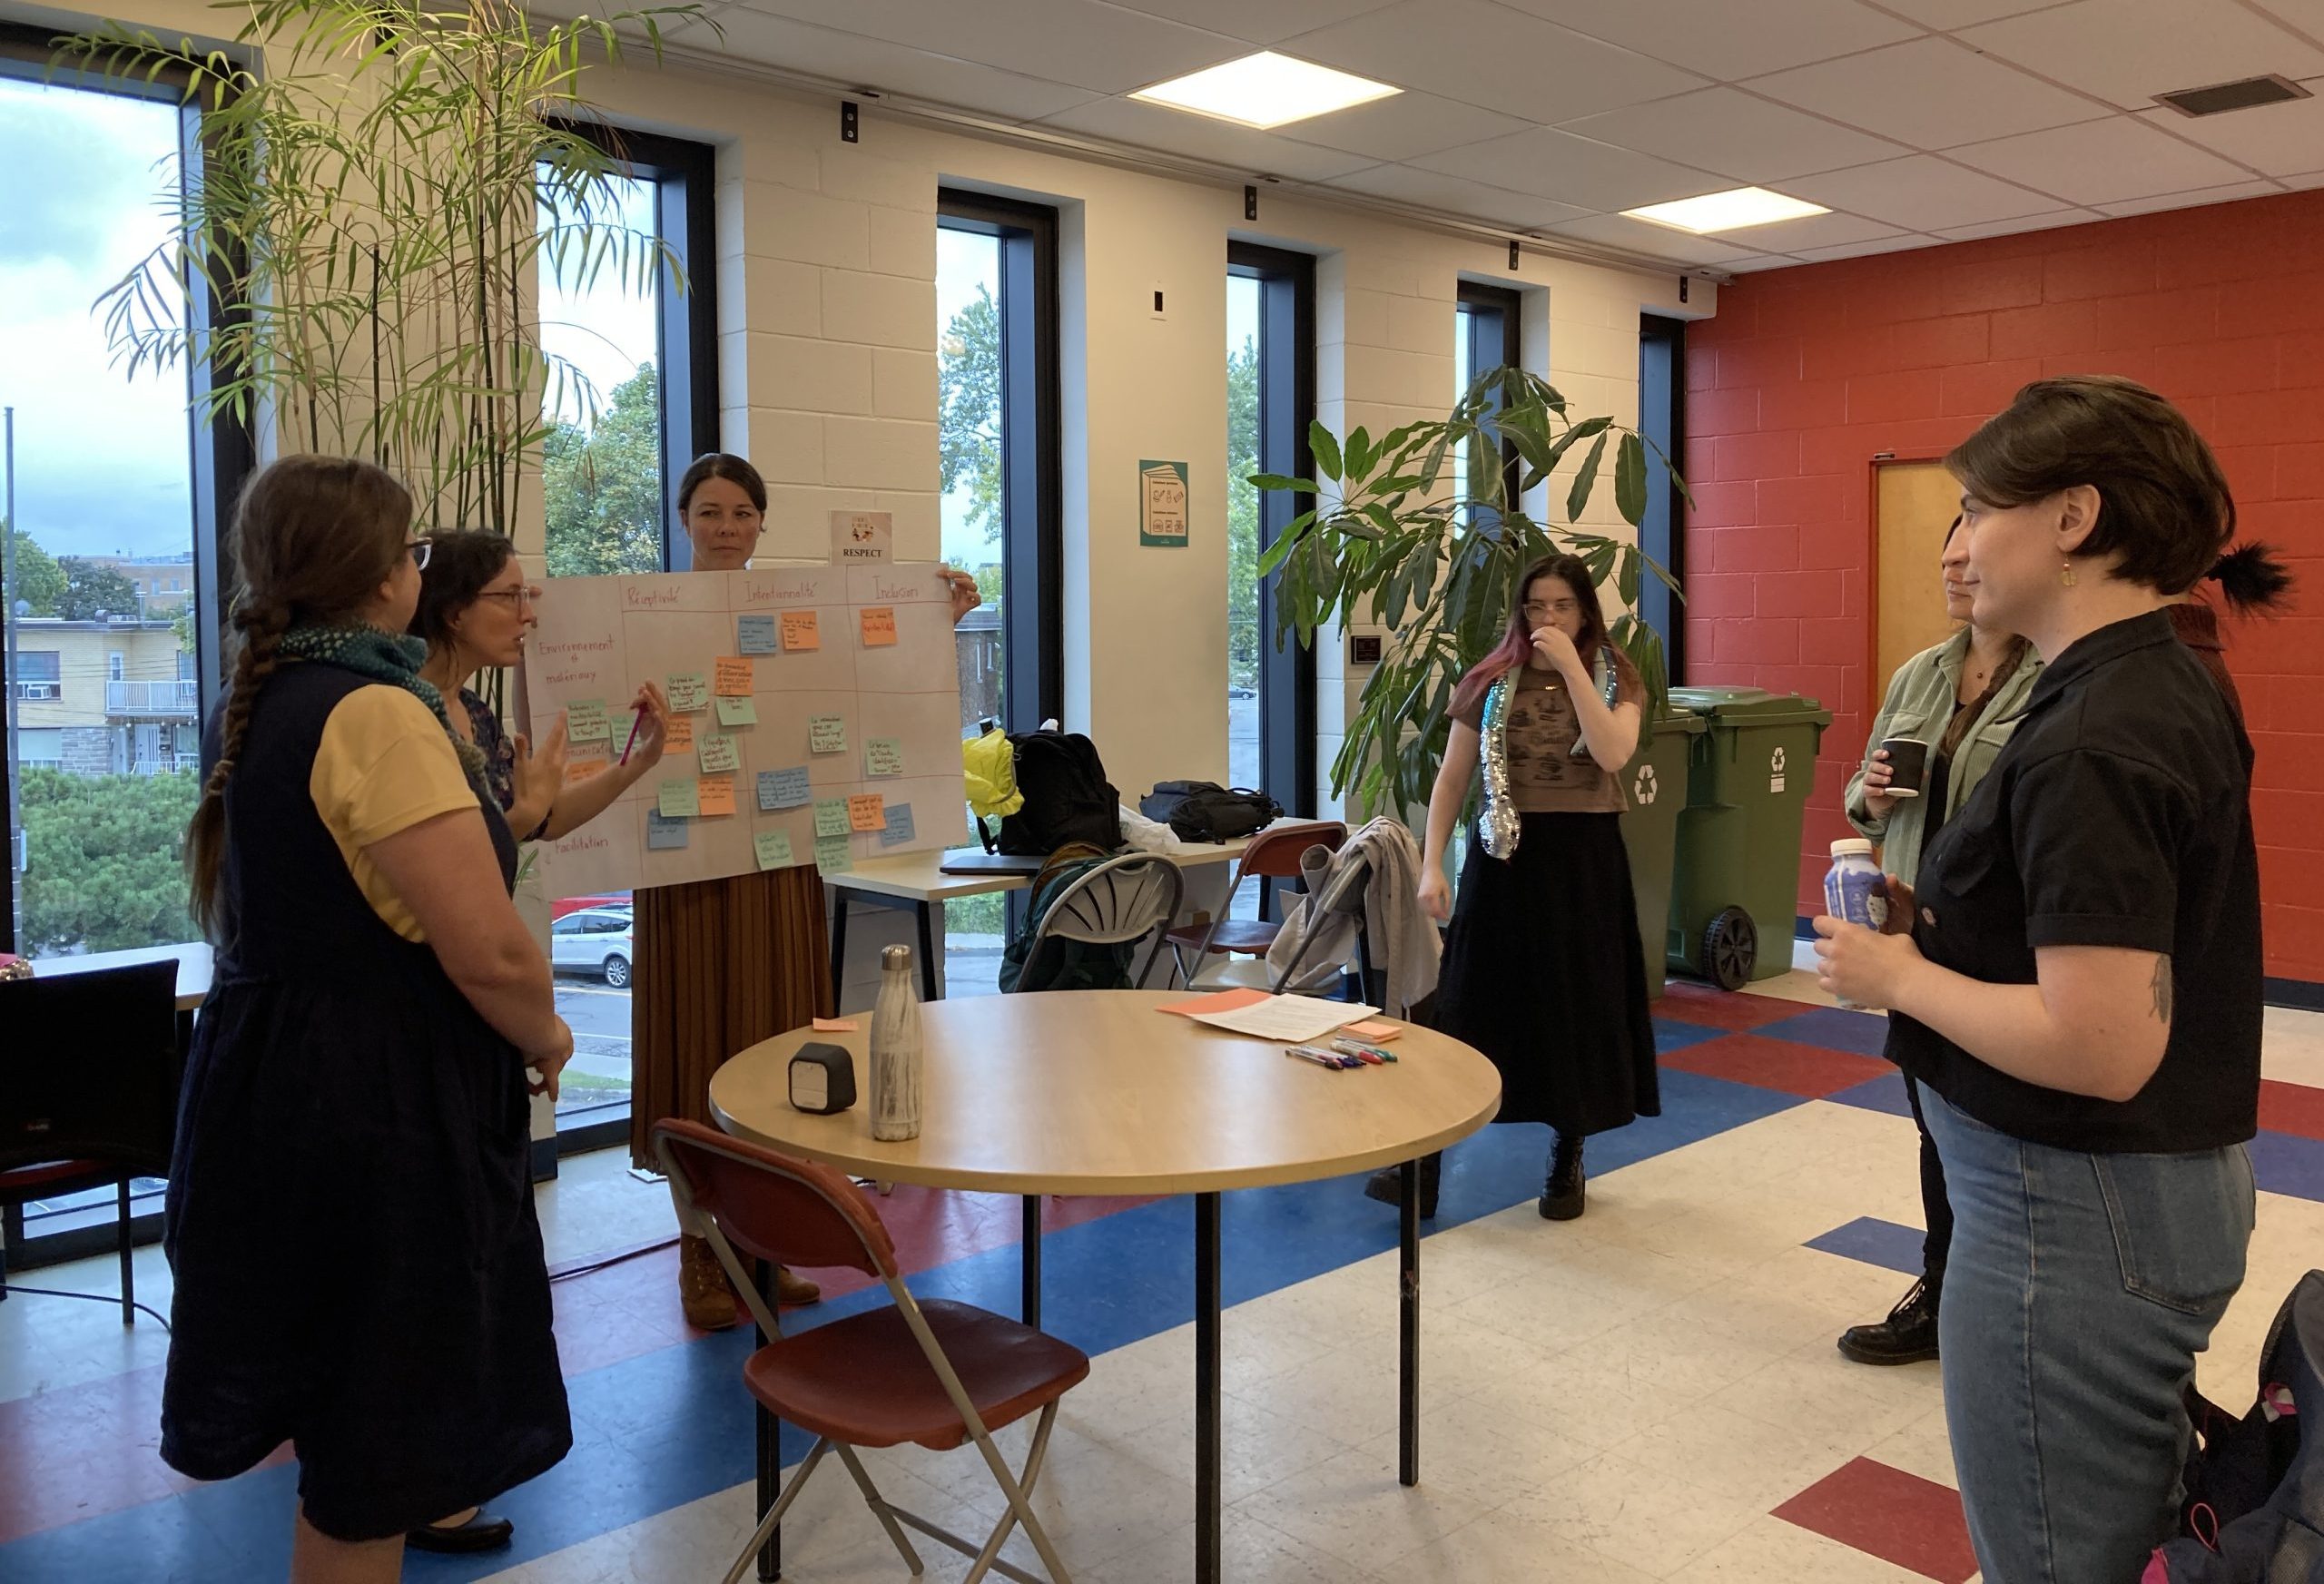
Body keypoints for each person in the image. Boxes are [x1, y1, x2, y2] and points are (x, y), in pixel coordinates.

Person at [1815, 376, 2292, 1581]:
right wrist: (1948, 926)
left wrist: (1897, 974)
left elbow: (2101, 1043)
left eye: (1981, 509)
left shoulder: (2098, 726)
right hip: (2114, 1200)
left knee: (2055, 1557)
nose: (1965, 544)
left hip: (2074, 1215)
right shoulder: (2134, 679)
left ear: (2073, 518)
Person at [161, 456, 574, 1584]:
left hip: (270, 1087)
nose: (414, 571)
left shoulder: (257, 698)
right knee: (374, 1446)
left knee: (349, 1425)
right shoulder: (378, 711)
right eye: (409, 553)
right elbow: (484, 946)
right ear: (381, 577)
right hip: (376, 1106)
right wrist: (546, 1035)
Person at [631, 453, 981, 1328]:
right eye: (708, 511)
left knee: (768, 1039)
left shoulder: (793, 612)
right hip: (680, 865)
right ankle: (700, 1260)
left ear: (761, 523)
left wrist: (941, 619)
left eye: (741, 512)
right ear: (684, 520)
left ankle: (763, 1245)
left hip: (775, 860)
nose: (725, 527)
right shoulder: (645, 616)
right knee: (695, 1042)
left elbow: (877, 684)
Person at [1384, 553, 1653, 1222]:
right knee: (1467, 999)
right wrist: (1431, 864)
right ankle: (1425, 1162)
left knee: (1576, 1003)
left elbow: (1614, 751)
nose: (1547, 617)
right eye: (1536, 606)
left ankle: (1568, 1153)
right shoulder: (1489, 678)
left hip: (1582, 853)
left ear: (1585, 611)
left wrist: (1571, 667)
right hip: (1503, 852)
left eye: (1562, 605)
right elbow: (1451, 778)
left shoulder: (1614, 674)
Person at [1836, 517, 2039, 1367]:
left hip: (2005, 940)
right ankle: (1943, 1290)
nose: (1954, 565)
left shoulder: (2056, 675)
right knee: (1935, 1122)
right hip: (1917, 930)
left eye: (1968, 549)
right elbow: (1858, 790)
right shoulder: (1922, 672)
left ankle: (2005, 1306)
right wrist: (1871, 798)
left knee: (2003, 1131)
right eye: (1944, 552)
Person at [411, 529, 670, 841]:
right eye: (510, 597)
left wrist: (642, 758)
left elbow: (548, 817)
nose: (528, 614)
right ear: (454, 613)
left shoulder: (473, 710)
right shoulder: (406, 716)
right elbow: (443, 860)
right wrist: (524, 819)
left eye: (525, 596)